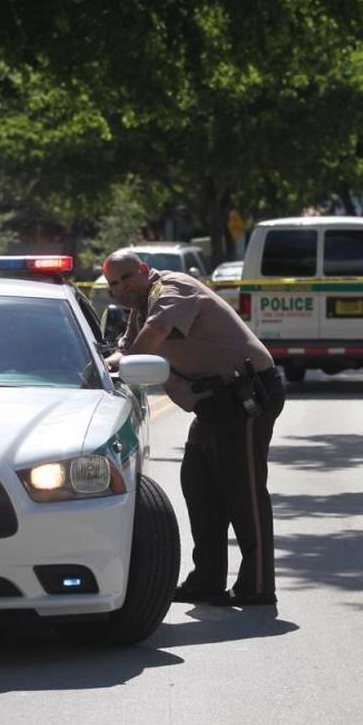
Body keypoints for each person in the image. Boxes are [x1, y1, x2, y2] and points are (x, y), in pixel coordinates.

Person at [102, 248, 285, 607]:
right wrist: (92, 370)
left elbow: (151, 341)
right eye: (113, 285)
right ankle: (207, 581)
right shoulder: (140, 311)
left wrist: (126, 363)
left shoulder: (171, 289)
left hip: (245, 396)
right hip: (213, 405)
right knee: (199, 487)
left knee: (243, 494)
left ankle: (258, 585)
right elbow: (123, 353)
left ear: (143, 270)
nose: (121, 288)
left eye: (126, 278)